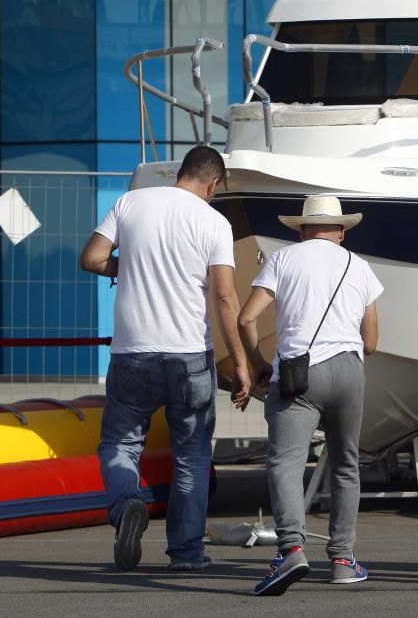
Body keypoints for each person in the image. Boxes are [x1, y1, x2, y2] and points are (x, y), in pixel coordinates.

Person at [79, 145, 252, 572]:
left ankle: (126, 506)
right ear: (212, 183)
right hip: (190, 355)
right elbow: (225, 296)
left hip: (132, 353)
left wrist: (129, 267)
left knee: (120, 444)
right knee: (192, 455)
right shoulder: (214, 221)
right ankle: (187, 554)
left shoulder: (130, 202)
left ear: (182, 172)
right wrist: (242, 362)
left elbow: (92, 258)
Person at [237, 195, 383, 597]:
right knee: (345, 465)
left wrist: (257, 362)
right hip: (349, 371)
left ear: (300, 229)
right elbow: (370, 342)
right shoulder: (360, 266)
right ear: (341, 231)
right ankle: (342, 560)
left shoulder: (285, 259)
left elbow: (246, 317)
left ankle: (291, 550)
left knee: (285, 462)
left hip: (298, 374)